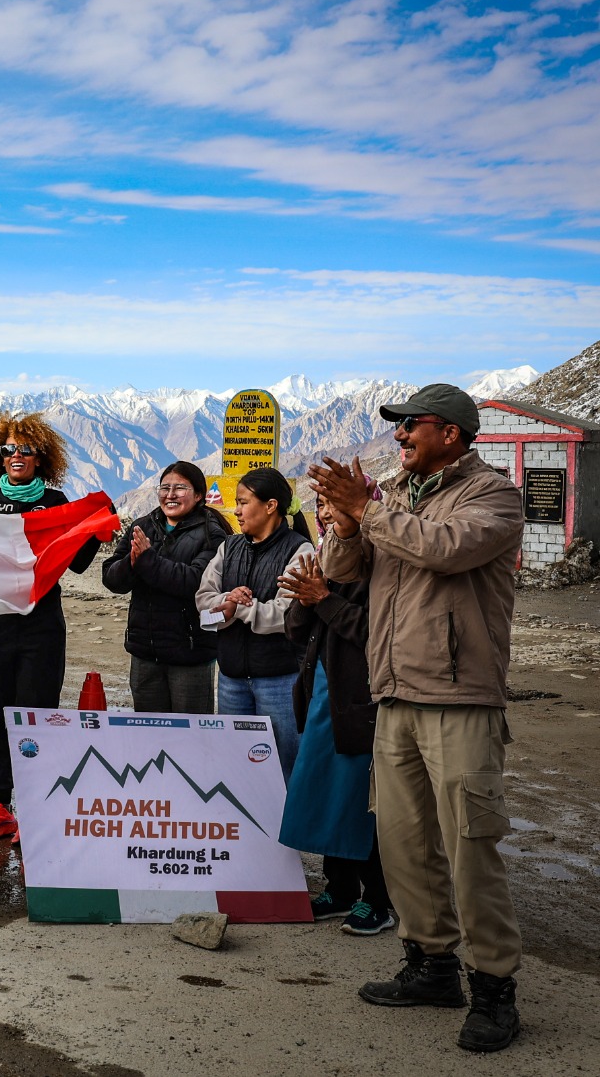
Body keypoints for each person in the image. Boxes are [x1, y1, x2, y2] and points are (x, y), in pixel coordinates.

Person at [310, 384, 524, 1053]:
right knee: (403, 841)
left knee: (470, 847)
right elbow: (345, 569)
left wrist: (365, 509)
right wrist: (347, 525)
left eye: (411, 425)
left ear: (451, 433)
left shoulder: (494, 496)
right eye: (397, 426)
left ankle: (493, 985)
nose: (399, 435)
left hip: (460, 698)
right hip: (395, 693)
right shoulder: (395, 496)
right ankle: (431, 964)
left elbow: (443, 549)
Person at [0, 413, 101, 844]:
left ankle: (36, 811)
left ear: (40, 457)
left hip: (41, 629)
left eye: (26, 449)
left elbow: (79, 562)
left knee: (38, 719)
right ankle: (1, 807)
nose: (17, 455)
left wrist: (93, 526)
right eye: (9, 449)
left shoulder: (56, 502)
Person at [277, 489, 393, 937]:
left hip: (363, 699)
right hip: (324, 696)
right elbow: (295, 630)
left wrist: (323, 598)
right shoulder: (324, 557)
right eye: (321, 505)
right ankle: (339, 888)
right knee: (325, 791)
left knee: (362, 800)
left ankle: (378, 898)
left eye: (336, 505)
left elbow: (375, 634)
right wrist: (306, 600)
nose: (326, 513)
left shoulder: (381, 562)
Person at [194, 467, 315, 780]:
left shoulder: (300, 550)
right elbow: (203, 599)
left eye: (243, 502)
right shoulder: (229, 547)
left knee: (285, 768)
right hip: (231, 679)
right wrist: (227, 602)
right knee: (236, 771)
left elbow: (287, 613)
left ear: (270, 505)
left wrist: (238, 608)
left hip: (279, 681)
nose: (236, 510)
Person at [101, 460, 232, 714]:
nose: (170, 495)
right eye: (165, 488)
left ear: (198, 495)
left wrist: (147, 561)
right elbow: (111, 578)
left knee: (191, 731)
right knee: (149, 730)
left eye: (180, 488)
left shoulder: (212, 534)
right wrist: (131, 562)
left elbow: (195, 582)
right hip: (145, 652)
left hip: (190, 655)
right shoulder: (143, 526)